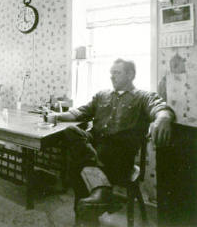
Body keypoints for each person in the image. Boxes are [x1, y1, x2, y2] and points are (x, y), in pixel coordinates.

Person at [47, 58, 175, 223]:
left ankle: (88, 213)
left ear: (130, 75)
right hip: (96, 149)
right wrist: (56, 116)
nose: (112, 77)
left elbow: (160, 108)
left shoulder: (143, 96)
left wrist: (163, 118)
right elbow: (79, 113)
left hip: (120, 154)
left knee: (78, 165)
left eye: (117, 73)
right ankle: (101, 193)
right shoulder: (102, 95)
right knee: (71, 131)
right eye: (111, 73)